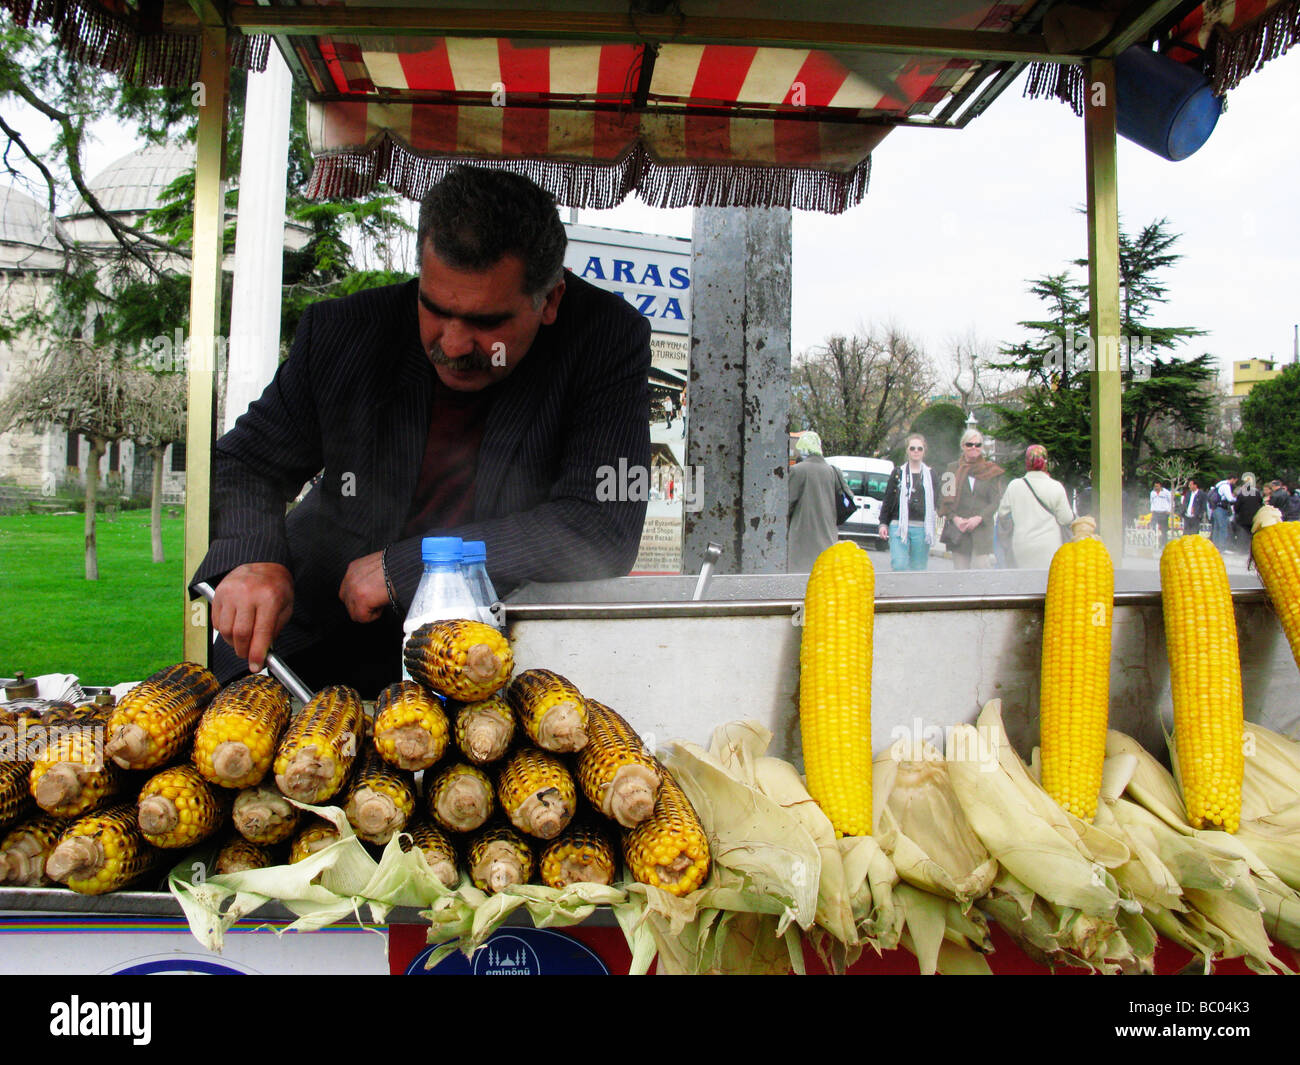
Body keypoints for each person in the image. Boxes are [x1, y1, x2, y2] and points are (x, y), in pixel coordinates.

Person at [192, 165, 653, 694]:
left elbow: (601, 525)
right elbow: (248, 460)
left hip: (492, 660)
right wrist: (255, 555)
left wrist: (414, 564)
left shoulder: (604, 339)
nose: (453, 345)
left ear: (549, 300)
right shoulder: (345, 333)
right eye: (434, 309)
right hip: (311, 644)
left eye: (485, 322)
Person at [994, 445, 1075, 569]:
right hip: (1050, 546)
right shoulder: (1055, 486)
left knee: (1026, 584)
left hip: (1022, 546)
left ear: (1027, 462)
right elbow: (1066, 519)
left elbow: (1002, 513)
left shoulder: (1014, 486)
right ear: (1046, 462)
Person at [940, 428, 1004, 570]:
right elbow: (944, 499)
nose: (974, 448)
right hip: (959, 531)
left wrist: (979, 518)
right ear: (963, 446)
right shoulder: (951, 469)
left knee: (981, 571)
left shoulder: (991, 471)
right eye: (970, 444)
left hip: (981, 531)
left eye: (978, 445)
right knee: (961, 577)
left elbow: (995, 501)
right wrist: (955, 519)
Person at [877, 433, 938, 571]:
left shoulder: (931, 474)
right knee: (899, 564)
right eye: (912, 448)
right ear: (907, 450)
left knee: (918, 568)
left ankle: (915, 592)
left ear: (924, 451)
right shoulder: (898, 473)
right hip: (898, 525)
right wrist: (883, 523)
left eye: (919, 448)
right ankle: (899, 592)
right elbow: (888, 499)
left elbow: (936, 500)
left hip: (921, 527)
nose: (916, 451)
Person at [787, 431, 844, 572]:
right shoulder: (833, 471)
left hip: (802, 537)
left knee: (801, 581)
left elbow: (786, 504)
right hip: (828, 536)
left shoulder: (797, 470)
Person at [1210, 475, 1237, 549]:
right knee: (1223, 528)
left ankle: (1215, 546)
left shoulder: (1219, 484)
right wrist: (1237, 499)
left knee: (1216, 529)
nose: (1234, 483)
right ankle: (1222, 547)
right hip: (1221, 509)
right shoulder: (1226, 486)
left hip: (1215, 508)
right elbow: (1230, 499)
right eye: (1235, 481)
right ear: (1232, 479)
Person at [1149, 481, 1172, 548]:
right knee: (1153, 527)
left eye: (1157, 486)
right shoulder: (1152, 493)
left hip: (1164, 513)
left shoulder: (1166, 493)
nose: (1156, 488)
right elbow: (1151, 502)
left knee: (1164, 530)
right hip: (1155, 512)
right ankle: (1155, 542)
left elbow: (1170, 501)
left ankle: (1163, 543)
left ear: (1160, 486)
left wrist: (1169, 510)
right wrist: (1152, 510)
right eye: (1155, 486)